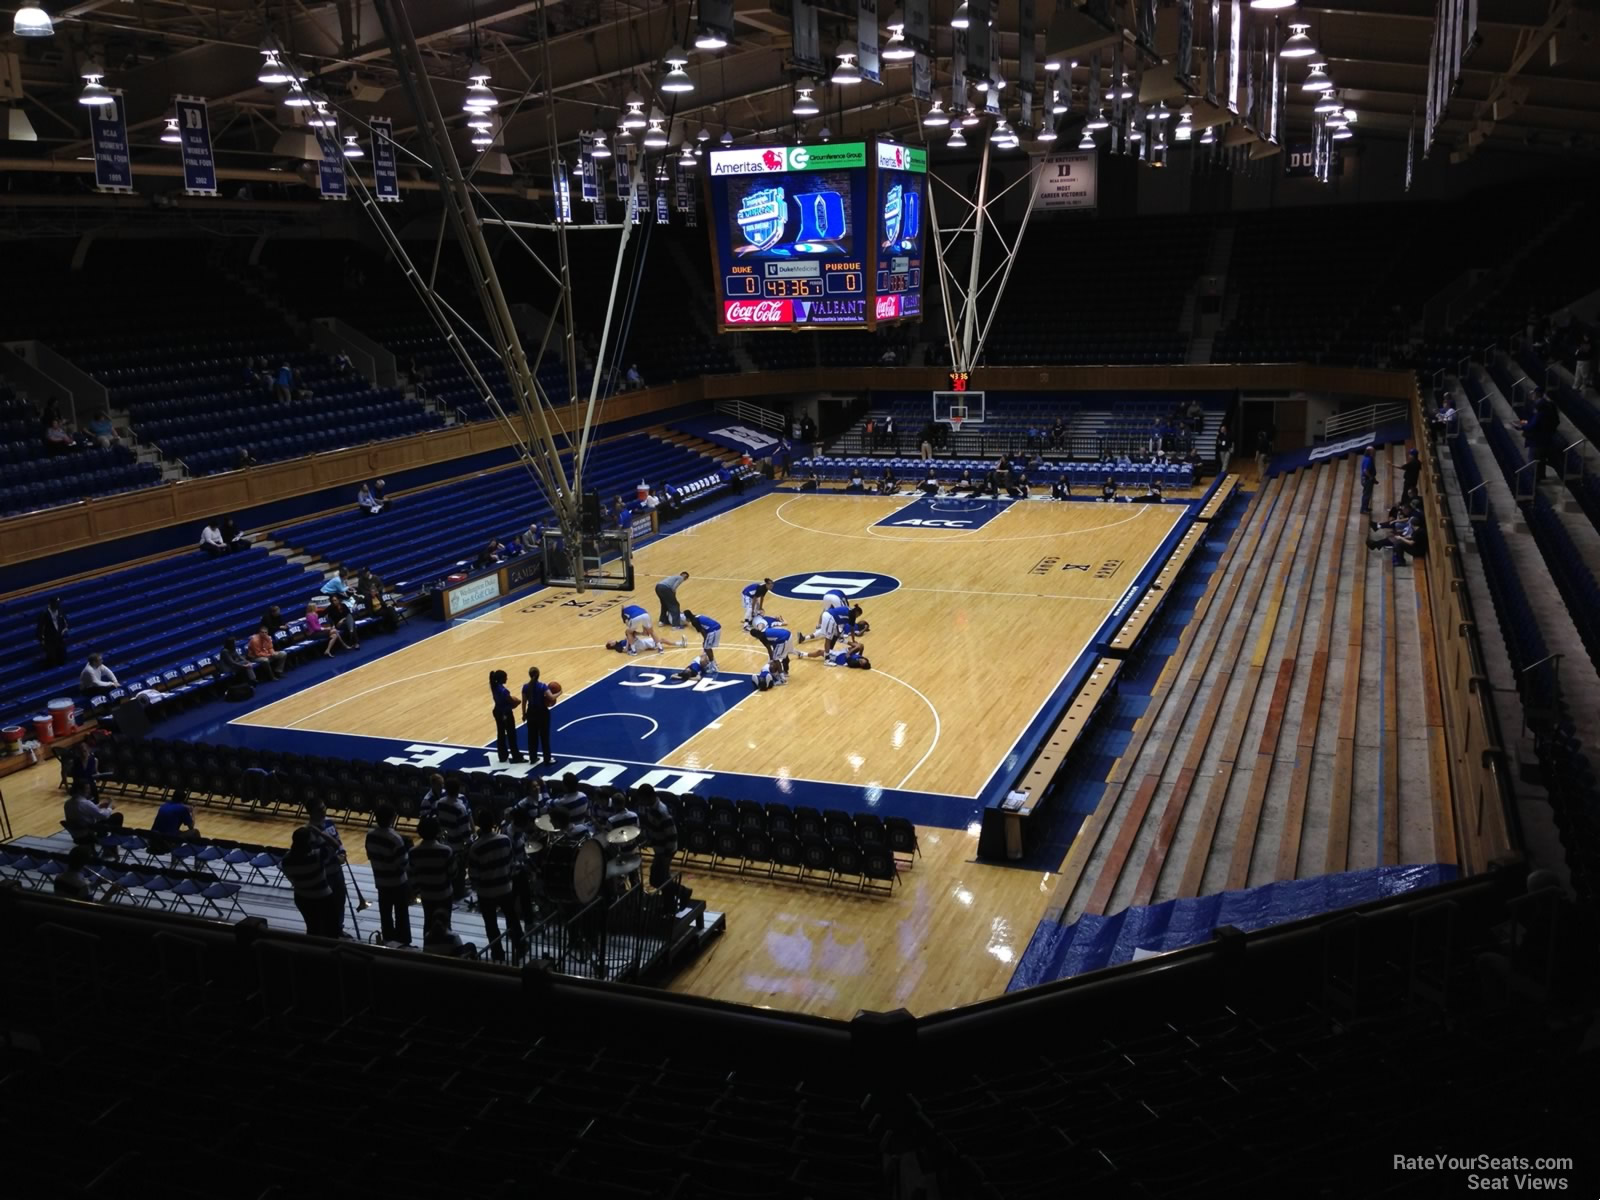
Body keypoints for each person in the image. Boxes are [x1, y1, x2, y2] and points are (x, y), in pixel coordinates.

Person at [467, 810, 526, 963]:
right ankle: (520, 945)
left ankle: (498, 953)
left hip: (486, 892)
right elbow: (510, 863)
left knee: (491, 924)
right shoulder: (505, 840)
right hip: (505, 888)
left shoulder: (475, 847)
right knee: (512, 918)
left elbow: (473, 875)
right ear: (493, 824)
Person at [365, 802, 413, 947]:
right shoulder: (395, 838)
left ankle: (388, 940)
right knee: (401, 914)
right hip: (397, 882)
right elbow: (403, 864)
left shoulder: (370, 835)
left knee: (385, 914)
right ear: (392, 818)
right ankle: (403, 942)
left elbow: (369, 856)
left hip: (380, 881)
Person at [282, 827, 341, 938]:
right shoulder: (317, 855)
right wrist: (320, 832)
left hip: (302, 897)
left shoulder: (286, 860)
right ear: (309, 841)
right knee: (332, 929)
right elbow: (335, 845)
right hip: (323, 897)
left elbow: (291, 879)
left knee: (312, 928)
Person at [410, 816, 456, 941]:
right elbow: (452, 873)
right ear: (437, 831)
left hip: (426, 895)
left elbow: (413, 877)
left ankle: (428, 949)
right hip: (444, 894)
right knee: (445, 925)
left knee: (428, 923)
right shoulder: (446, 851)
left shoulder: (413, 852)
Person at [634, 785, 678, 890]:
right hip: (660, 849)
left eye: (642, 799)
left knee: (660, 879)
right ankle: (677, 893)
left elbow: (672, 834)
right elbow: (656, 830)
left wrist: (667, 855)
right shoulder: (652, 809)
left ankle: (681, 893)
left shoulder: (661, 812)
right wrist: (649, 841)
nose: (641, 802)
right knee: (659, 879)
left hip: (665, 850)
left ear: (648, 797)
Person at [607, 603, 672, 654]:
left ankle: (634, 651)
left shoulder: (624, 612)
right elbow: (625, 648)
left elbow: (626, 623)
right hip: (645, 614)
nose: (610, 640)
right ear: (611, 645)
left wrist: (630, 633)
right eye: (609, 642)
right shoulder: (633, 606)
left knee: (628, 632)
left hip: (635, 618)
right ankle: (660, 649)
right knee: (651, 632)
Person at [522, 666, 555, 765]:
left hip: (531, 712)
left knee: (532, 737)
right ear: (538, 674)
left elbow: (524, 702)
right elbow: (551, 697)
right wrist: (559, 692)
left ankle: (533, 757)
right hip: (542, 713)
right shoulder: (542, 686)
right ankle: (547, 758)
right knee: (544, 737)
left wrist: (524, 714)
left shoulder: (525, 687)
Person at [490, 669, 524, 763]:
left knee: (500, 734)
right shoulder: (504, 691)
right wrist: (517, 702)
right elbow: (512, 701)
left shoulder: (494, 686)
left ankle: (502, 756)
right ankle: (516, 756)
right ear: (501, 679)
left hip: (497, 711)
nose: (507, 679)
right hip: (505, 713)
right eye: (505, 677)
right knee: (511, 735)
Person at [676, 610, 721, 680]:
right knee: (707, 648)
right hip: (715, 627)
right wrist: (705, 641)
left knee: (707, 647)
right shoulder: (696, 616)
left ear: (687, 618)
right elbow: (703, 629)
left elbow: (703, 631)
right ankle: (712, 664)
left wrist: (705, 640)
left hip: (713, 629)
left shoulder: (694, 621)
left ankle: (713, 666)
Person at [1358, 448, 1377, 515]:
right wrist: (1371, 477)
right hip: (1367, 479)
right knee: (1366, 495)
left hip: (1366, 479)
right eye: (1373, 451)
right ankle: (1363, 509)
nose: (1375, 452)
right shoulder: (1368, 459)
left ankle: (1365, 508)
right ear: (1370, 452)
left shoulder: (1367, 458)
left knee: (1367, 494)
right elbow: (1365, 470)